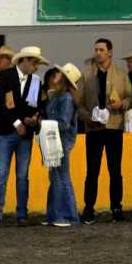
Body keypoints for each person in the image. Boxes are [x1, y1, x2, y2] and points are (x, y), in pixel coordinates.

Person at [0, 46, 49, 227]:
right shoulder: (4, 76)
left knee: (22, 175)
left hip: (25, 135)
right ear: (24, 60)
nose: (36, 67)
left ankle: (22, 213)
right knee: (2, 175)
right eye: (34, 62)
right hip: (7, 131)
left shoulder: (36, 82)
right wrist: (17, 123)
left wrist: (33, 118)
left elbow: (38, 105)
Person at [77, 38, 132, 224]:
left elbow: (131, 98)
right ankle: (89, 208)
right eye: (96, 49)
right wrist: (88, 118)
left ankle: (116, 207)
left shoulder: (121, 74)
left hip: (113, 127)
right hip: (93, 129)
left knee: (115, 169)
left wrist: (122, 104)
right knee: (92, 170)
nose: (98, 52)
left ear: (110, 52)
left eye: (101, 49)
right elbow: (78, 103)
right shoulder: (86, 76)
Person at [43, 63, 82, 227]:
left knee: (61, 177)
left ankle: (66, 216)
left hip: (61, 141)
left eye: (59, 73)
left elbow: (64, 123)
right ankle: (56, 215)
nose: (55, 75)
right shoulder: (59, 97)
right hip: (56, 140)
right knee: (57, 177)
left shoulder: (64, 98)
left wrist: (44, 123)